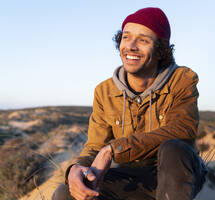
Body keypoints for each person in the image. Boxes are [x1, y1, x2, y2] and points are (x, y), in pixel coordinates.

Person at [52, 7, 207, 200]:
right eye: (126, 37)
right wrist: (75, 169)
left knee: (173, 148)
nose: (131, 46)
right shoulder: (104, 91)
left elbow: (182, 129)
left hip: (177, 172)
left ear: (160, 50)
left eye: (143, 40)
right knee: (65, 193)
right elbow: (93, 148)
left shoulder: (183, 79)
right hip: (132, 178)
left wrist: (113, 150)